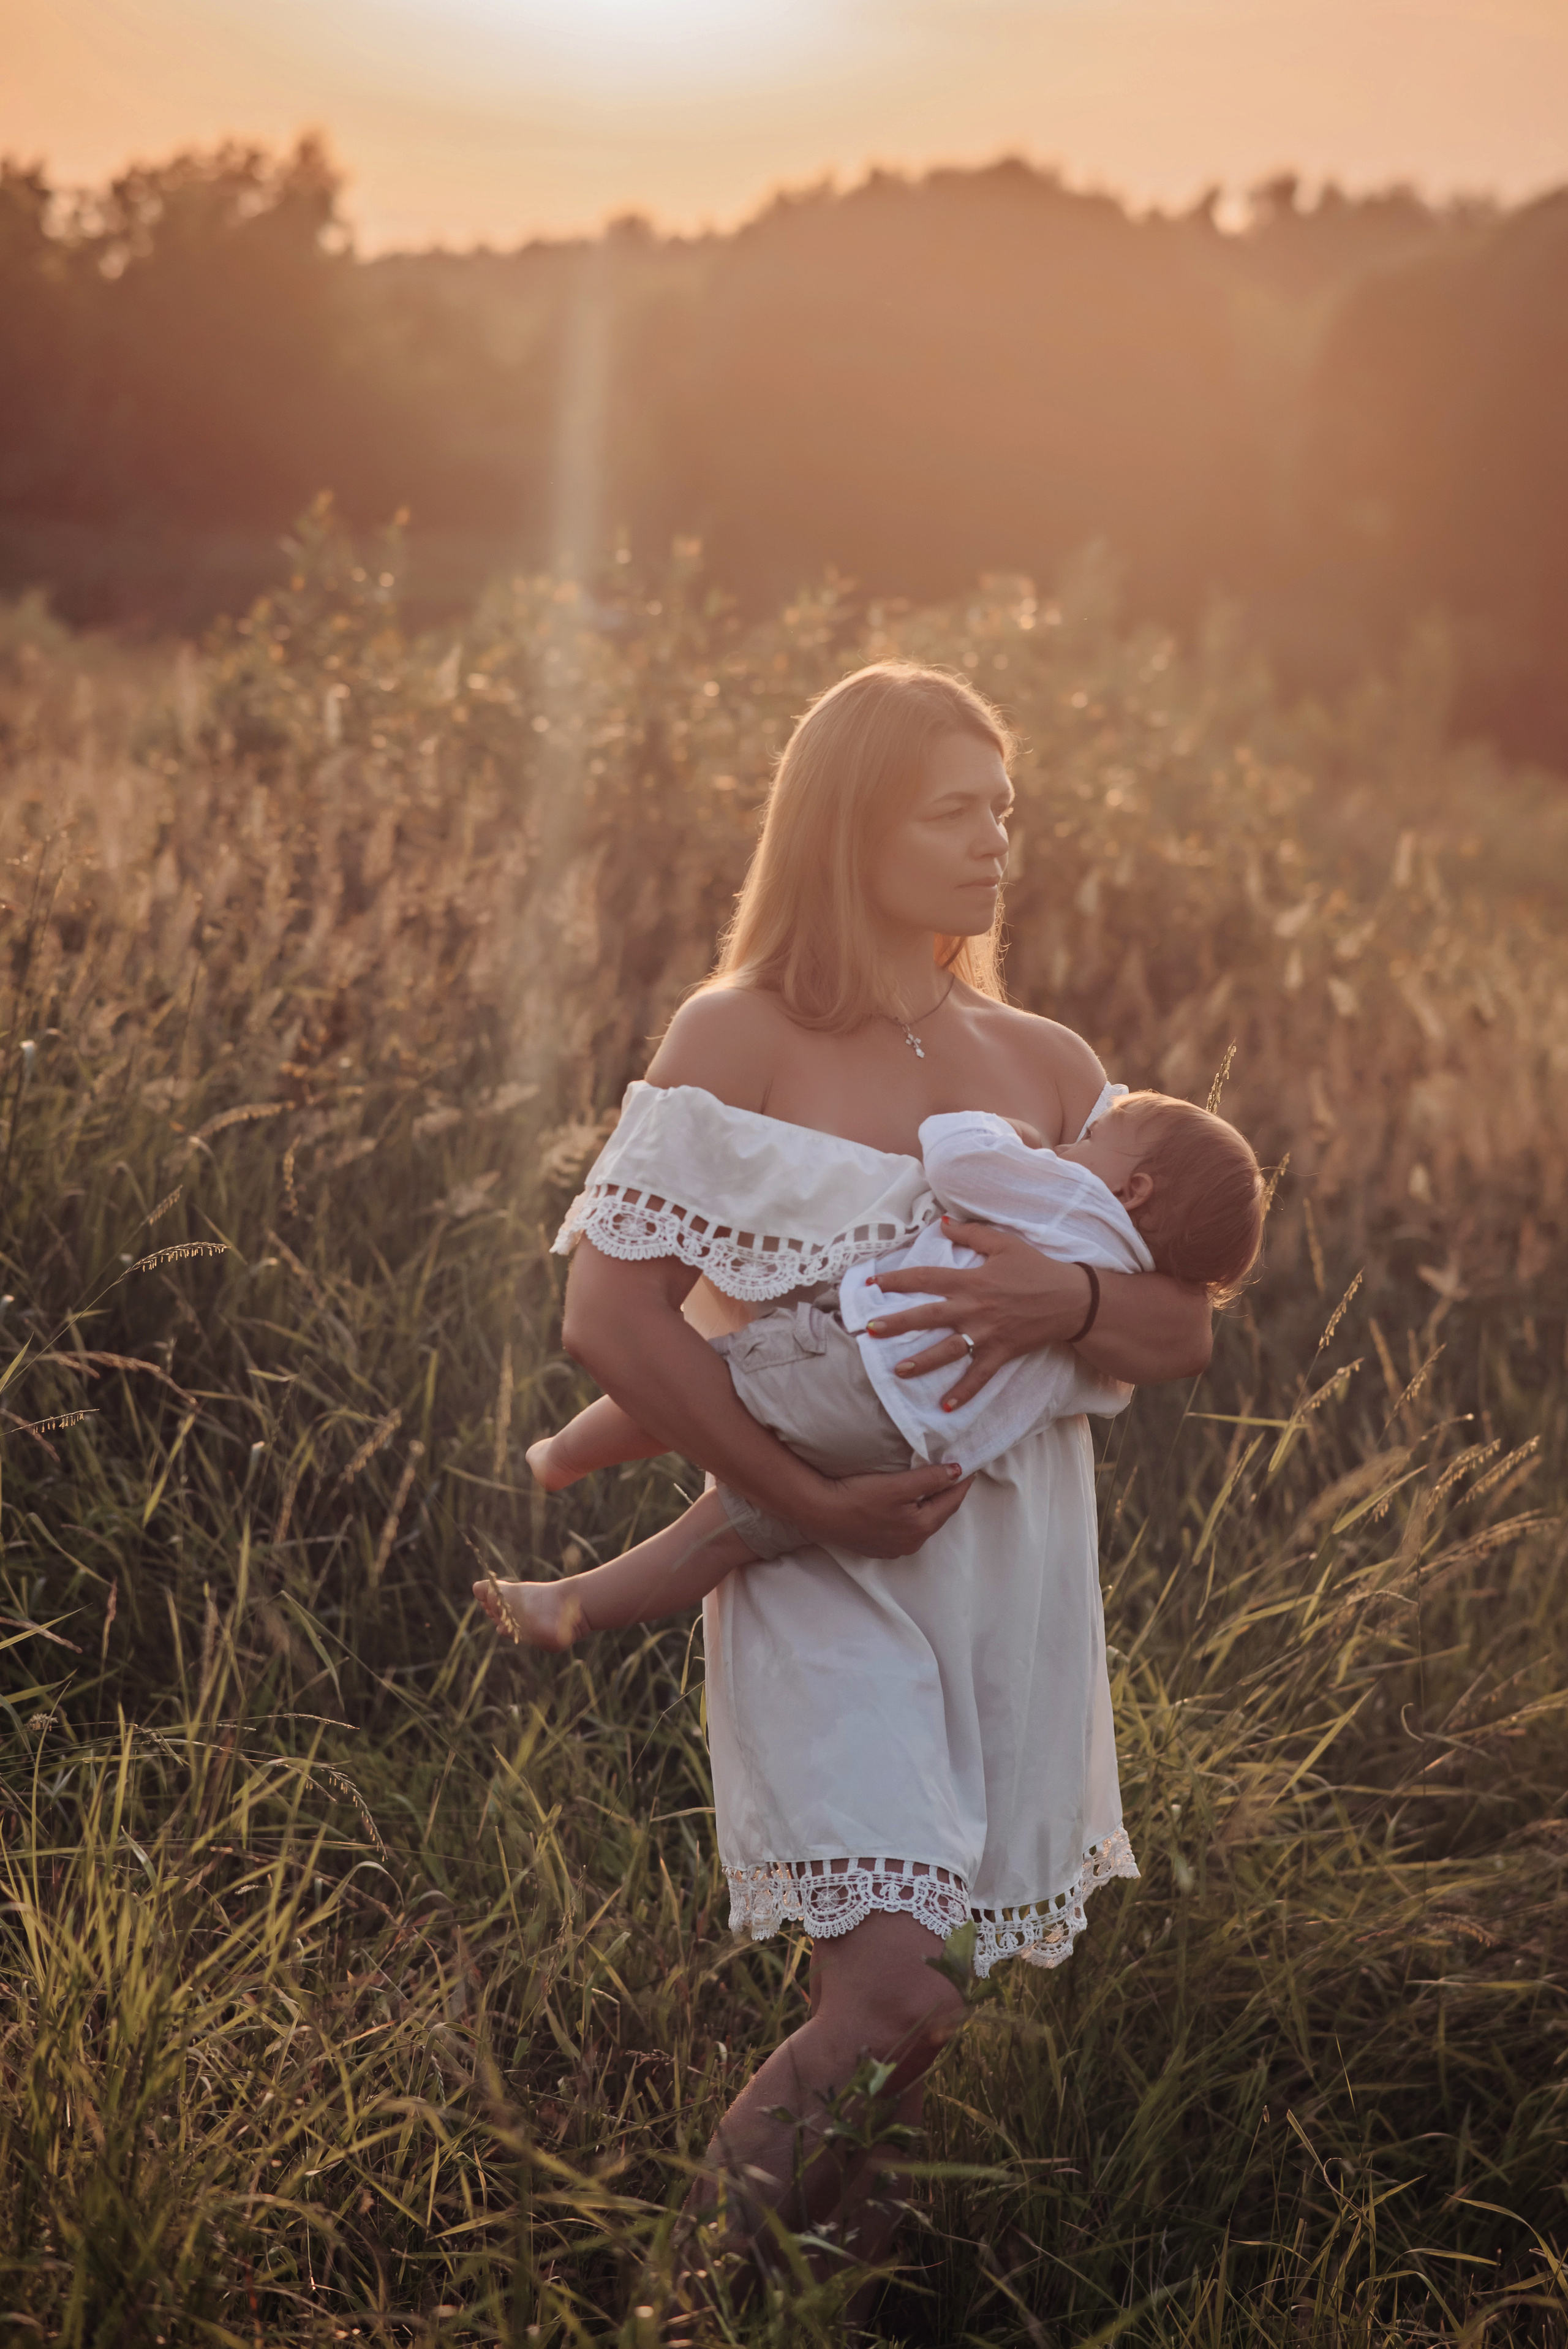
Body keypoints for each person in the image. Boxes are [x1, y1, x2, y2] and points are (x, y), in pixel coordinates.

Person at [483, 662, 1213, 2302]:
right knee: (896, 1997)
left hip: (1004, 1569)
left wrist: (1069, 1302)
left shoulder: (1044, 1060)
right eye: (955, 810)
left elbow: (1184, 1323)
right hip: (820, 1566)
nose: (995, 841)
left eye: (1005, 810)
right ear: (851, 822)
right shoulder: (734, 1033)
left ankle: (836, 2280)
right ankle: (684, 2307)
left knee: (927, 1988)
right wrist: (796, 1505)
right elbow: (608, 1313)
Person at [477, 1091, 1262, 1649]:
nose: (1074, 1143)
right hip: (914, 1455)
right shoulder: (1135, 1275)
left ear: (1132, 1189)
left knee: (711, 1384)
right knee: (723, 1535)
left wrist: (1008, 1129)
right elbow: (1119, 1376)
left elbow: (956, 1161)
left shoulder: (1069, 1201)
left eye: (1095, 1137)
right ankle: (568, 1606)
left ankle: (565, 1455)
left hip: (860, 1373)